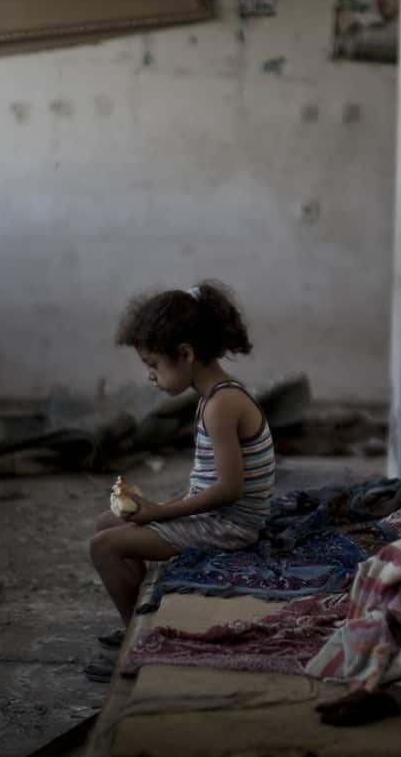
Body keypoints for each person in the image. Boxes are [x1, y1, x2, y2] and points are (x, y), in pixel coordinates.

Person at [84, 282, 276, 681]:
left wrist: (160, 512)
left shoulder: (223, 404)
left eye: (154, 364)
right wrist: (160, 507)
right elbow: (205, 482)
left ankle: (142, 644)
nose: (150, 376)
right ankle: (141, 622)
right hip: (218, 516)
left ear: (186, 354)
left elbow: (229, 489)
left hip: (230, 526)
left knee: (104, 547)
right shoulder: (213, 397)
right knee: (106, 522)